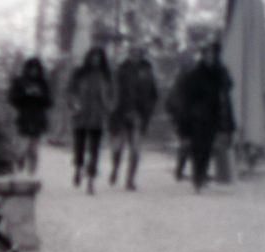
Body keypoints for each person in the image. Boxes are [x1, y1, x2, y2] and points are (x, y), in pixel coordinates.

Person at [181, 41, 234, 192]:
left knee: (208, 147)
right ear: (203, 56)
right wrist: (187, 117)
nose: (210, 57)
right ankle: (197, 176)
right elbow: (188, 97)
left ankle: (201, 174)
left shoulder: (219, 72)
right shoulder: (196, 73)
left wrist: (221, 70)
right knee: (198, 147)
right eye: (207, 54)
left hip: (213, 114)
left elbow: (228, 86)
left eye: (212, 55)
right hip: (197, 116)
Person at [108, 45, 159, 190]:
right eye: (133, 53)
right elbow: (114, 91)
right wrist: (115, 109)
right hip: (121, 114)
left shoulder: (147, 71)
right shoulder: (121, 70)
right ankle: (115, 168)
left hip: (139, 115)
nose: (135, 56)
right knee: (117, 147)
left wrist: (149, 109)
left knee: (135, 149)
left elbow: (153, 93)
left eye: (138, 53)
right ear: (129, 54)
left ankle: (130, 180)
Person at [66, 47, 113, 195]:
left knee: (94, 150)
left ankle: (91, 181)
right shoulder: (79, 73)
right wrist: (74, 105)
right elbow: (70, 91)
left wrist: (109, 108)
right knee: (79, 147)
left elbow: (112, 93)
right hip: (81, 114)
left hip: (97, 116)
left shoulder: (105, 75)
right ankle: (78, 169)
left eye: (99, 57)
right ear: (89, 57)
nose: (96, 60)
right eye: (93, 57)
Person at [7, 57, 53, 175]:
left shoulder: (43, 84)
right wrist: (25, 94)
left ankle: (32, 173)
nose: (34, 72)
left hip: (38, 118)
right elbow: (12, 98)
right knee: (22, 147)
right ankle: (20, 160)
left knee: (34, 149)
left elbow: (49, 102)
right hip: (23, 117)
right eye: (32, 69)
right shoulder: (19, 81)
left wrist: (39, 95)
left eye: (36, 69)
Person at [165, 52, 195, 182]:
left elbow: (170, 101)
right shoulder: (180, 80)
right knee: (187, 144)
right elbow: (171, 101)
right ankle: (182, 171)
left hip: (188, 116)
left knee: (188, 144)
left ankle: (183, 171)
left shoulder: (181, 79)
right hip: (184, 116)